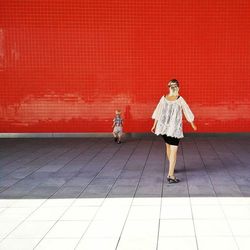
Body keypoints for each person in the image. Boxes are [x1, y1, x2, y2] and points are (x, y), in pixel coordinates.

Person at [151, 79, 197, 183]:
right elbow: (187, 110)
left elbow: (158, 112)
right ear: (177, 87)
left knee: (168, 146)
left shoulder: (164, 98)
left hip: (163, 128)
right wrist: (192, 123)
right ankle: (171, 175)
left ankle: (171, 167)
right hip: (174, 130)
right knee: (174, 151)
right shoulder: (180, 99)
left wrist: (154, 125)